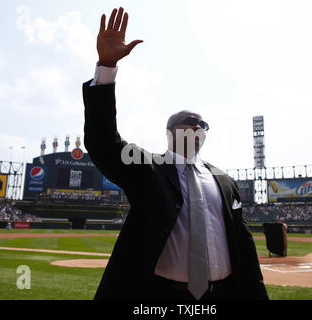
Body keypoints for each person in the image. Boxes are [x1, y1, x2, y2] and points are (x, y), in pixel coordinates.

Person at [83, 7, 268, 301]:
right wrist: (106, 67)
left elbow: (244, 245)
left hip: (224, 295)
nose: (196, 126)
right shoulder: (147, 168)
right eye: (188, 121)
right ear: (170, 132)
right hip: (160, 296)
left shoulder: (225, 181)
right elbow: (103, 142)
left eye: (201, 124)